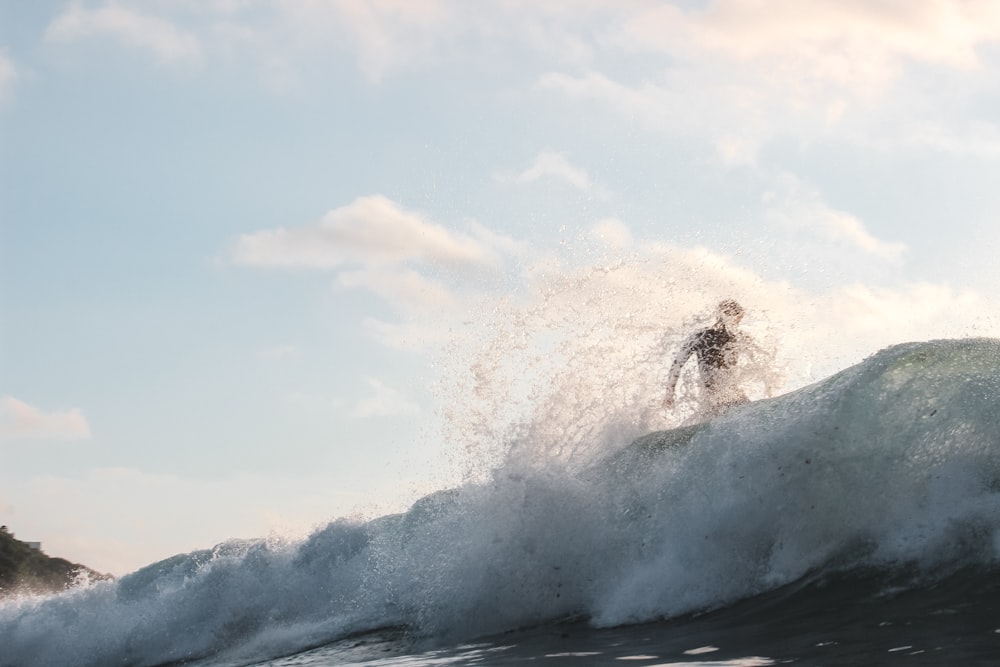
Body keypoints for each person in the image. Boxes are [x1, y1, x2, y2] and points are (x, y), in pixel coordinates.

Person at [662, 299, 751, 415]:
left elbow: (677, 365)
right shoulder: (703, 336)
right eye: (738, 319)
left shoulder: (702, 335)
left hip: (715, 396)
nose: (738, 323)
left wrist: (669, 393)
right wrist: (669, 393)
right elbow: (677, 364)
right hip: (718, 396)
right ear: (732, 316)